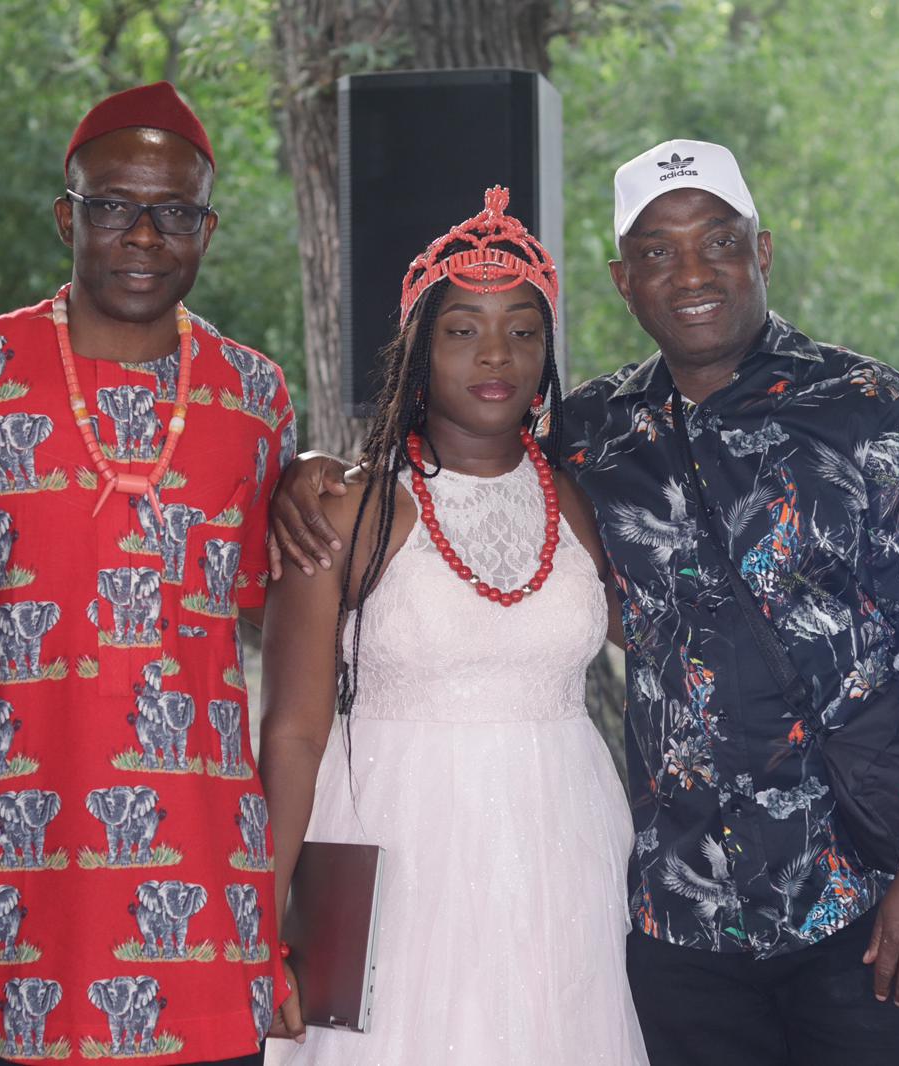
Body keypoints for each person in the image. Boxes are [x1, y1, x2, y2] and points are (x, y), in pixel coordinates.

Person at [272, 140, 899, 1066]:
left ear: (761, 251)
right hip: (673, 917)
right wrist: (306, 471)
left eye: (718, 242)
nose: (692, 273)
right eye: (657, 251)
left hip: (855, 894)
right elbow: (464, 472)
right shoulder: (593, 433)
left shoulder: (872, 409)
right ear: (624, 282)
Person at [0, 81, 293, 1066]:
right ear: (66, 215)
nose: (144, 235)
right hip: (7, 884)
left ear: (207, 228)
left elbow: (268, 613)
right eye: (113, 205)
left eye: (176, 212)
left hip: (202, 886)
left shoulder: (256, 396)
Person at [259, 188, 649, 1066]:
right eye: (462, 329)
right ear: (417, 349)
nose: (495, 353)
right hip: (395, 848)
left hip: (562, 845)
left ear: (547, 354)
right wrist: (262, 914)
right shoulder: (346, 508)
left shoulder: (581, 501)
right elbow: (291, 730)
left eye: (523, 330)